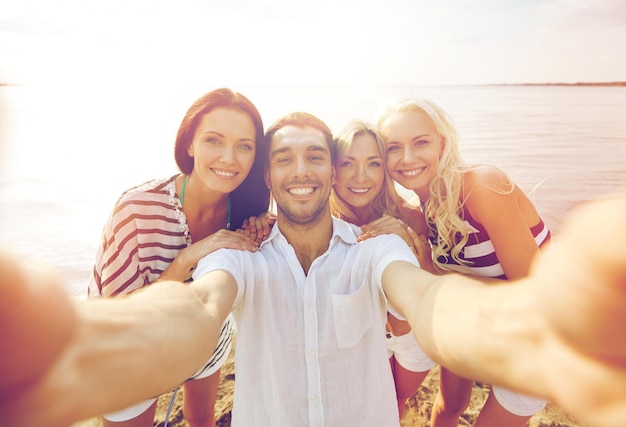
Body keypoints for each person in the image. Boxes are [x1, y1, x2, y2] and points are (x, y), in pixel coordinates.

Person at [1, 113, 626, 427]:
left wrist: (515, 329)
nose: (301, 171)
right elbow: (198, 309)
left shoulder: (378, 245)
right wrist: (92, 346)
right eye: (284, 160)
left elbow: (427, 299)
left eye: (313, 159)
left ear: (331, 172)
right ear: (267, 177)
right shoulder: (238, 252)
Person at [88, 88, 270, 427]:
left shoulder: (246, 210)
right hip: (131, 350)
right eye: (214, 140)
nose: (229, 158)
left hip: (206, 339)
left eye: (244, 146)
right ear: (189, 144)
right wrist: (187, 259)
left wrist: (265, 225)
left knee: (201, 420)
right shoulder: (138, 208)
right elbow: (109, 316)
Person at [375, 97, 552, 427]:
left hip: (534, 341)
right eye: (393, 148)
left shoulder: (482, 186)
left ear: (442, 144)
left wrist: (433, 274)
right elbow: (352, 200)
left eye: (421, 143)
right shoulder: (420, 212)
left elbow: (536, 297)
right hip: (476, 327)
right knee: (447, 409)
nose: (408, 158)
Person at [329, 119, 436, 419]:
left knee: (394, 403)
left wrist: (402, 237)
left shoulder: (412, 218)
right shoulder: (322, 222)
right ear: (332, 170)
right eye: (348, 163)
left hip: (412, 336)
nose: (361, 176)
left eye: (373, 163)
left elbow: (432, 281)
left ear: (385, 170)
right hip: (366, 334)